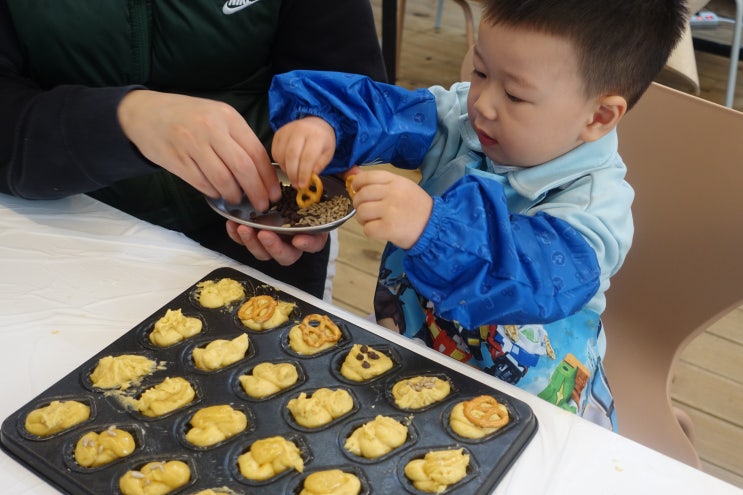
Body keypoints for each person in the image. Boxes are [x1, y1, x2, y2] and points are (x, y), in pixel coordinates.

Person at [268, 0, 686, 429]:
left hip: (529, 410)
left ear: (598, 116)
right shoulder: (464, 122)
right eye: (481, 72)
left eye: (515, 95)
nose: (483, 103)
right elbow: (389, 112)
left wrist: (432, 228)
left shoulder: (594, 206)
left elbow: (532, 276)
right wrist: (325, 125)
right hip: (414, 359)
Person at [0, 0, 386, 300]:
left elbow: (350, 87)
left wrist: (320, 135)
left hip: (256, 234)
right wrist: (123, 118)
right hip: (59, 227)